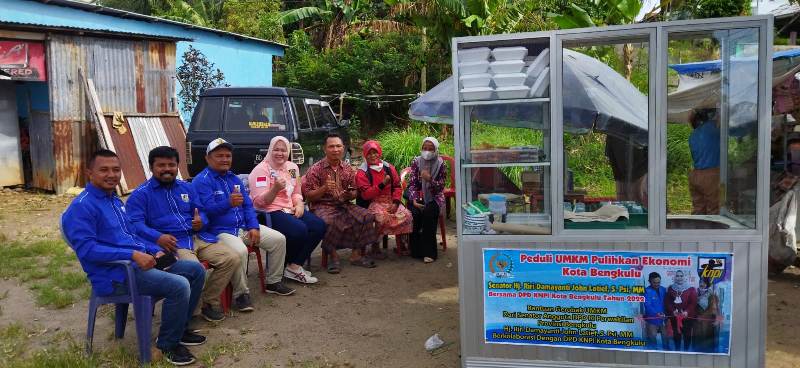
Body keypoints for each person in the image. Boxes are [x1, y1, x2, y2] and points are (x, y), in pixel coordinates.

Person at [62, 150, 206, 365]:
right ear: (89, 172)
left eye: (116, 170)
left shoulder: (115, 201)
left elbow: (131, 235)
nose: (111, 175)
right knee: (179, 286)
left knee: (195, 271)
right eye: (104, 170)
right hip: (116, 276)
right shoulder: (82, 207)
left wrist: (151, 249)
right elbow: (87, 250)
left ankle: (178, 329)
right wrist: (131, 254)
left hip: (138, 266)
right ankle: (167, 345)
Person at [127, 146, 240, 323]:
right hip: (173, 243)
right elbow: (135, 224)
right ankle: (189, 314)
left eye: (171, 165)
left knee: (231, 258)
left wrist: (201, 221)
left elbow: (201, 211)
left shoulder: (186, 187)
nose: (166, 169)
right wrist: (158, 236)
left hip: (198, 237)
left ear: (177, 166)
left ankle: (208, 302)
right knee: (196, 270)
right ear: (151, 167)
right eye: (161, 165)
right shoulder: (141, 195)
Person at [192, 138, 294, 307]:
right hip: (219, 231)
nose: (225, 159)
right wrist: (228, 203)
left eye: (228, 156)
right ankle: (241, 294)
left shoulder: (233, 178)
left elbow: (248, 206)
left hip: (243, 227)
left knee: (278, 240)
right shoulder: (201, 181)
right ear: (208, 158)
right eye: (219, 156)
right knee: (240, 251)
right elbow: (205, 212)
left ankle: (273, 282)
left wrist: (253, 226)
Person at [249, 136, 326, 284]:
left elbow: (297, 191)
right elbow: (259, 202)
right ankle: (284, 265)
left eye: (283, 150)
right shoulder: (261, 170)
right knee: (300, 229)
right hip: (269, 212)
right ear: (270, 150)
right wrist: (275, 188)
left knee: (318, 226)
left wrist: (299, 204)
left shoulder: (292, 168)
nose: (280, 153)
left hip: (289, 208)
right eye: (276, 150)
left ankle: (294, 266)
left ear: (288, 151)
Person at [302, 133, 380, 273]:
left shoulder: (348, 169)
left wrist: (351, 194)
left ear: (343, 148)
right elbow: (309, 196)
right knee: (329, 221)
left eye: (338, 146)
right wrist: (324, 188)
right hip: (322, 206)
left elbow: (355, 192)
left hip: (343, 205)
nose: (335, 149)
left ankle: (355, 254)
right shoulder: (315, 169)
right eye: (331, 146)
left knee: (367, 215)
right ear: (324, 149)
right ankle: (334, 257)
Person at [356, 140, 412, 258]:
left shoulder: (388, 168)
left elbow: (397, 186)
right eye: (369, 153)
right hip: (373, 202)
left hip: (391, 200)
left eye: (375, 152)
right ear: (365, 155)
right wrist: (382, 184)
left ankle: (402, 243)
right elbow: (366, 194)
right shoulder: (362, 172)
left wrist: (396, 202)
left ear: (379, 153)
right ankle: (375, 246)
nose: (373, 156)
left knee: (407, 215)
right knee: (381, 218)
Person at [407, 137, 447, 263]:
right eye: (425, 148)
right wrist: (413, 200)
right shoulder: (416, 162)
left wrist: (430, 179)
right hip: (417, 196)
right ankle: (416, 250)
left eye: (431, 149)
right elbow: (412, 184)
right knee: (415, 213)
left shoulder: (441, 164)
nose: (427, 151)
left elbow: (441, 186)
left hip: (434, 197)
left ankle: (430, 253)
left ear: (436, 150)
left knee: (429, 213)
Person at [688, 108, 721, 215]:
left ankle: (696, 230)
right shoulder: (713, 127)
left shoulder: (693, 135)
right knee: (714, 210)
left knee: (699, 209)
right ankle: (712, 232)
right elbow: (736, 131)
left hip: (695, 175)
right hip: (711, 176)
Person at [604, 134, 648, 206]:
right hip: (616, 140)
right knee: (622, 193)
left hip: (638, 144)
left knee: (635, 193)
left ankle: (640, 213)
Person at [665, 269, 697, 351]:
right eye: (677, 276)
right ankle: (677, 350)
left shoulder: (691, 289)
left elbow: (693, 303)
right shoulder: (670, 289)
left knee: (687, 335)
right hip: (675, 317)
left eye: (681, 276)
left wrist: (687, 311)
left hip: (687, 317)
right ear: (675, 277)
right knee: (676, 334)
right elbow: (668, 302)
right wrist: (673, 311)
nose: (679, 278)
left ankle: (686, 351)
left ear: (684, 277)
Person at [642, 272, 668, 350]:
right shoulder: (646, 291)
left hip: (663, 320)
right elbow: (647, 305)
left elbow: (668, 302)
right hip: (652, 320)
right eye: (654, 282)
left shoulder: (663, 289)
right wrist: (656, 313)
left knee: (666, 340)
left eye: (659, 282)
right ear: (649, 281)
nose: (657, 284)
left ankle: (667, 354)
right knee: (652, 340)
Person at [694, 278, 721, 353]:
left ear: (707, 284)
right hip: (698, 324)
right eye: (700, 282)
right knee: (698, 343)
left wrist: (717, 320)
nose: (702, 284)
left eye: (704, 283)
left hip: (708, 323)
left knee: (708, 343)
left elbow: (715, 309)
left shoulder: (712, 294)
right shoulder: (695, 292)